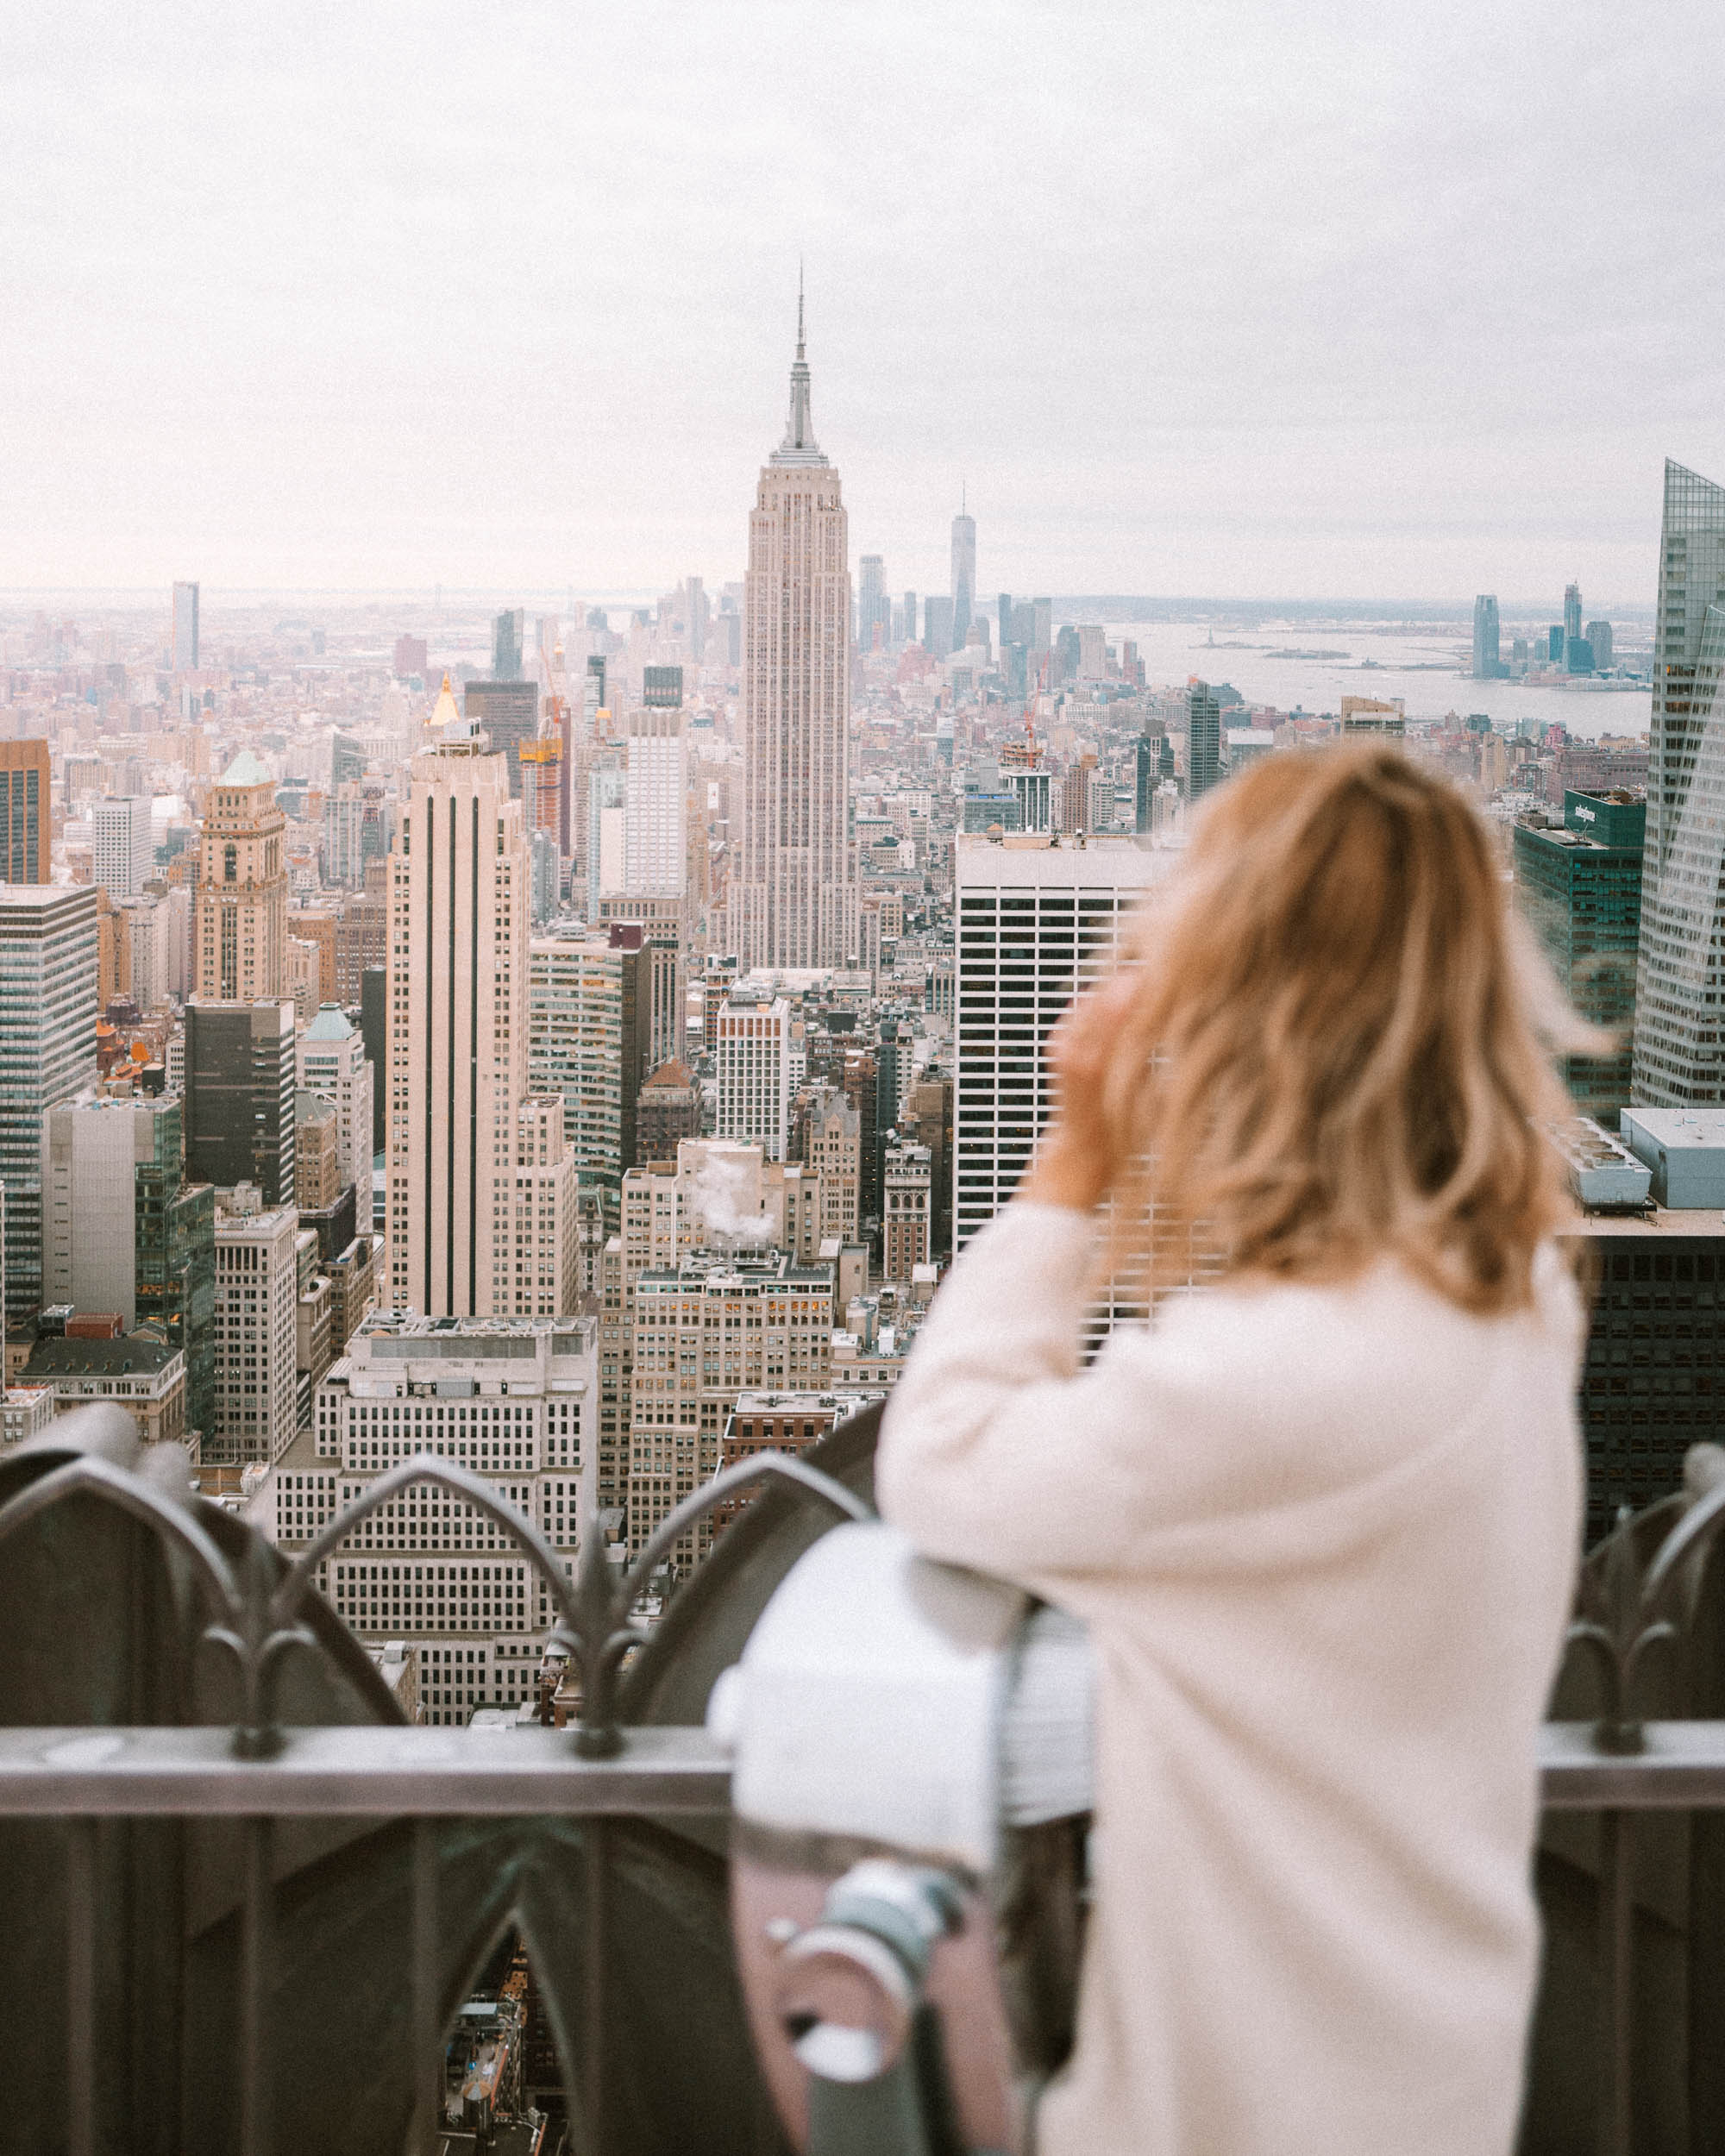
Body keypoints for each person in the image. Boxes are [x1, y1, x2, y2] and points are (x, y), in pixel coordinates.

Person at [876, 743, 1589, 2156]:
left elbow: (942, 1462)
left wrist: (1072, 1164)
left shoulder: (1285, 1380)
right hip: (1428, 2084)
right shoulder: (1507, 1293)